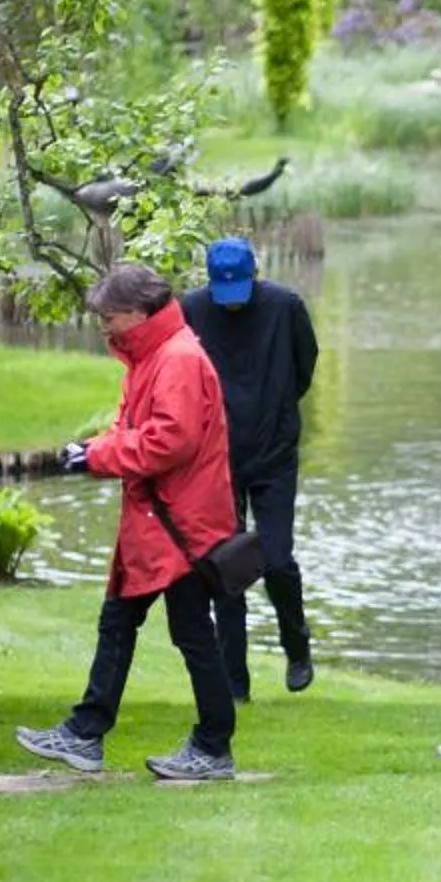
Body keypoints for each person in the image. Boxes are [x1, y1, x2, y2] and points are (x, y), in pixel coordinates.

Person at [14, 264, 241, 782]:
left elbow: (169, 441)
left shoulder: (176, 358)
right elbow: (133, 428)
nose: (103, 326)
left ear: (139, 313)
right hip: (162, 520)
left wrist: (97, 455)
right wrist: (96, 448)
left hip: (180, 526)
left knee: (188, 634)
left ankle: (209, 747)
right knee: (124, 623)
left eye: (109, 316)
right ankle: (86, 733)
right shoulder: (155, 355)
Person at [180, 234, 320, 700]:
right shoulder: (193, 310)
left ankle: (296, 646)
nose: (232, 304)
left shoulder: (285, 307)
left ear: (254, 276)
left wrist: (276, 408)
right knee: (225, 570)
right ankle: (233, 681)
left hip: (274, 452)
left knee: (277, 559)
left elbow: (306, 364)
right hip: (217, 458)